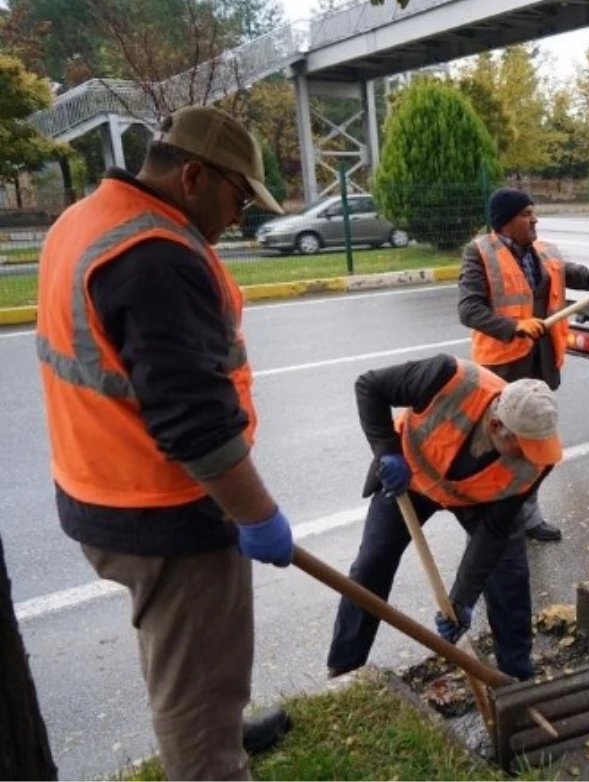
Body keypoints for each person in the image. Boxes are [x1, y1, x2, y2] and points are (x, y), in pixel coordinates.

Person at [34, 105, 295, 781]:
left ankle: (217, 725)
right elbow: (195, 424)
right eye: (238, 196)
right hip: (168, 507)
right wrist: (257, 516)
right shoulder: (155, 255)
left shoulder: (85, 220)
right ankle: (211, 754)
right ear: (193, 175)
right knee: (198, 680)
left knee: (179, 649)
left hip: (97, 487)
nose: (240, 215)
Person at [326, 354, 562, 681]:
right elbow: (370, 386)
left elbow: (493, 532)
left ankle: (515, 677)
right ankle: (344, 668)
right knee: (371, 565)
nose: (530, 456)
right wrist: (387, 450)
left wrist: (461, 600)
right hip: (408, 478)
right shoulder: (449, 377)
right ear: (497, 427)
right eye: (523, 447)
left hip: (478, 500)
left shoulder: (538, 460)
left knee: (509, 576)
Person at [458, 188, 589, 542]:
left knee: (536, 444)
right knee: (503, 448)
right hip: (502, 369)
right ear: (506, 222)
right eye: (526, 214)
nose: (535, 220)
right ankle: (496, 519)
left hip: (541, 366)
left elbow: (585, 276)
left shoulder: (545, 253)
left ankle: (529, 517)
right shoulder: (479, 253)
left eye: (533, 213)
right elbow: (469, 309)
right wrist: (514, 327)